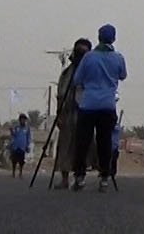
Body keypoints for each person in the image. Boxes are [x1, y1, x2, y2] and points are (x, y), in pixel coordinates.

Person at [71, 24, 126, 191]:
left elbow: (77, 80)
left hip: (88, 104)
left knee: (83, 141)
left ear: (99, 37)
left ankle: (80, 176)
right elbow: (123, 75)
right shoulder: (118, 58)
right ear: (113, 38)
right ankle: (104, 178)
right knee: (105, 142)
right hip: (107, 105)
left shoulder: (89, 57)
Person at [53, 37, 90, 189]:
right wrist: (59, 114)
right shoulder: (67, 73)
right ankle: (64, 179)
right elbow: (61, 94)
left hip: (84, 114)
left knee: (82, 147)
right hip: (68, 115)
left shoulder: (89, 73)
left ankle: (79, 178)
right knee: (65, 146)